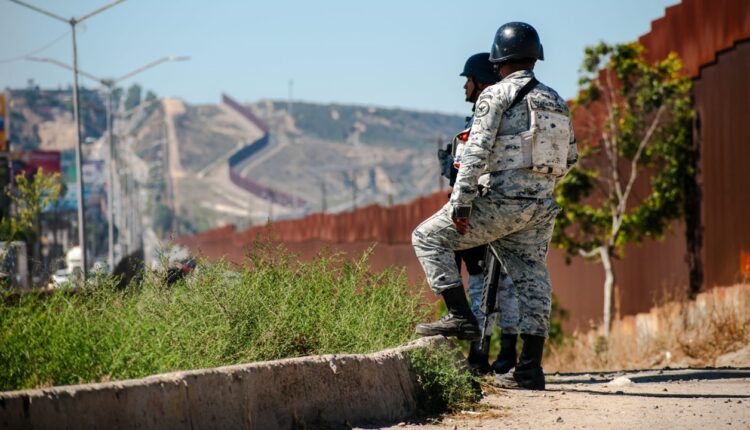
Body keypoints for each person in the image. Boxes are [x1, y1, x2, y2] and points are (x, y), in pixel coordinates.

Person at [413, 21, 578, 390]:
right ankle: (530, 370)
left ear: (498, 58)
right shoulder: (555, 99)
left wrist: (461, 205)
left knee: (426, 237)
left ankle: (460, 317)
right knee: (533, 280)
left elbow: (475, 152)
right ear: (535, 56)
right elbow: (570, 157)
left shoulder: (496, 95)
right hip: (540, 207)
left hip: (500, 202)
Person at [438, 52, 519, 375]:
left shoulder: (483, 121)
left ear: (481, 81)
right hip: (509, 210)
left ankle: (479, 354)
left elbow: (467, 168)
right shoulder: (510, 117)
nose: (465, 87)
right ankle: (507, 354)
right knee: (508, 287)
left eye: (468, 80)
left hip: (480, 211)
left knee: (481, 285)